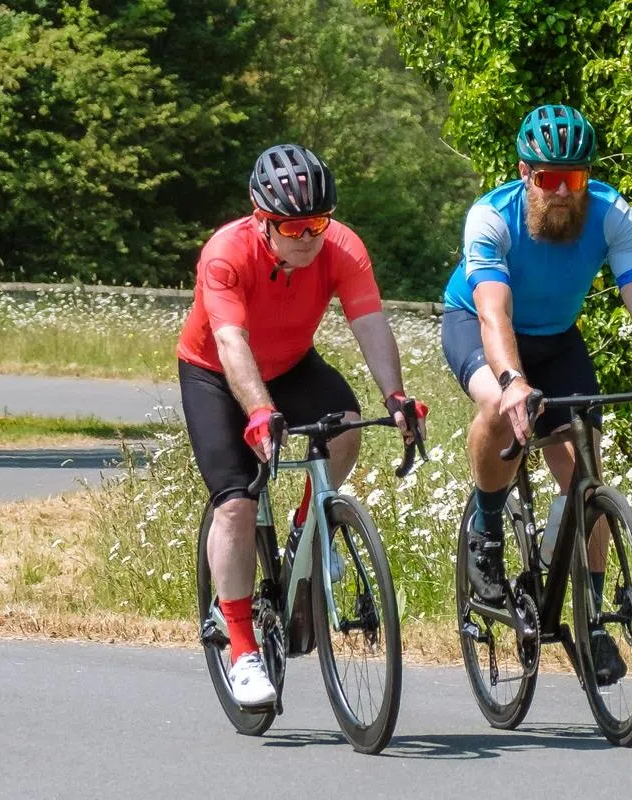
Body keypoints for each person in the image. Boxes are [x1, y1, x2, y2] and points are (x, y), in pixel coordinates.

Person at [438, 104, 632, 684]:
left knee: (586, 479)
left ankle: (592, 619)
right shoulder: (491, 216)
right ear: (524, 173)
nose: (561, 192)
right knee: (496, 408)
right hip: (477, 326)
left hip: (556, 339)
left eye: (574, 179)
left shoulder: (611, 215)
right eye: (548, 179)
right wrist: (511, 382)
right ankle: (485, 529)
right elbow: (492, 310)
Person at [178, 143, 426, 708]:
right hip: (217, 374)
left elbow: (369, 321)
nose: (307, 237)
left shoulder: (342, 247)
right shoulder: (225, 253)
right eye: (291, 227)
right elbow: (229, 341)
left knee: (346, 427)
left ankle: (306, 530)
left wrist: (395, 396)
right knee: (236, 504)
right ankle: (241, 648)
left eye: (317, 222)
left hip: (291, 364)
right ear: (261, 220)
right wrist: (259, 412)